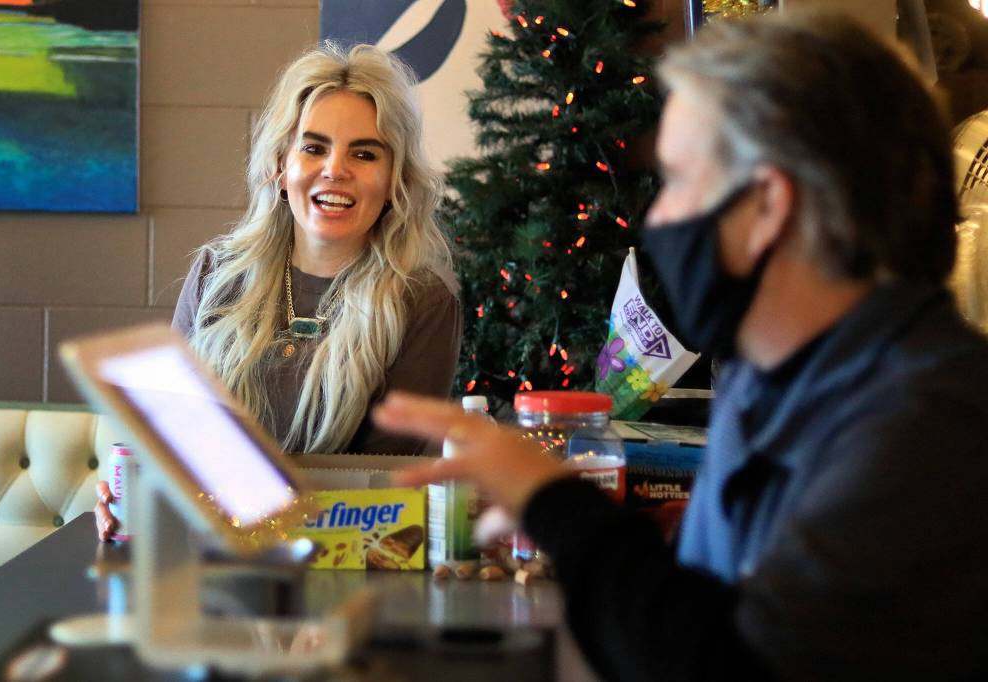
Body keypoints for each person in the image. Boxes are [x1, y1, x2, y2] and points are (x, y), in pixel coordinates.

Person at [374, 10, 988, 681]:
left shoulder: (933, 420)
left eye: (676, 181)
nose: (656, 217)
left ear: (768, 205)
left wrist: (556, 503)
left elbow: (726, 668)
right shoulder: (773, 381)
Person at [95, 43, 461, 540]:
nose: (335, 169)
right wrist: (134, 494)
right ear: (279, 165)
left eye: (364, 153)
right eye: (313, 147)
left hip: (343, 565)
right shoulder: (216, 273)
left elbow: (388, 492)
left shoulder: (422, 302)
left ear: (395, 179)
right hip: (206, 560)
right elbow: (169, 437)